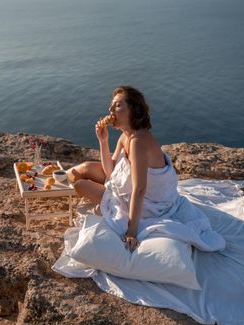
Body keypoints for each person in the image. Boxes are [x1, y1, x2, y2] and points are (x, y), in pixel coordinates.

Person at [66, 86, 176, 253]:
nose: (110, 110)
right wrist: (103, 141)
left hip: (150, 203)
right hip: (127, 187)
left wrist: (132, 232)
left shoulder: (138, 142)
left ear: (133, 109)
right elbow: (111, 172)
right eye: (111, 105)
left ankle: (52, 183)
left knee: (81, 185)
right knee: (85, 167)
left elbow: (139, 189)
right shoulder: (126, 136)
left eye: (117, 105)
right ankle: (51, 179)